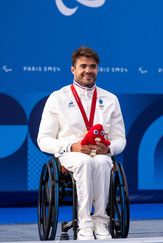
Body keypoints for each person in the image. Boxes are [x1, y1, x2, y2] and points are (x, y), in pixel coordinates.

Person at [38, 46, 126, 240]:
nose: (88, 70)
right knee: (84, 162)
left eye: (93, 66)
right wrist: (71, 146)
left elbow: (120, 138)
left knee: (103, 162)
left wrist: (109, 148)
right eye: (83, 66)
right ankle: (84, 223)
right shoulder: (58, 98)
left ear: (98, 69)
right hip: (71, 154)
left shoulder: (110, 99)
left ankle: (101, 220)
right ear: (73, 69)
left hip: (100, 154)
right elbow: (43, 139)